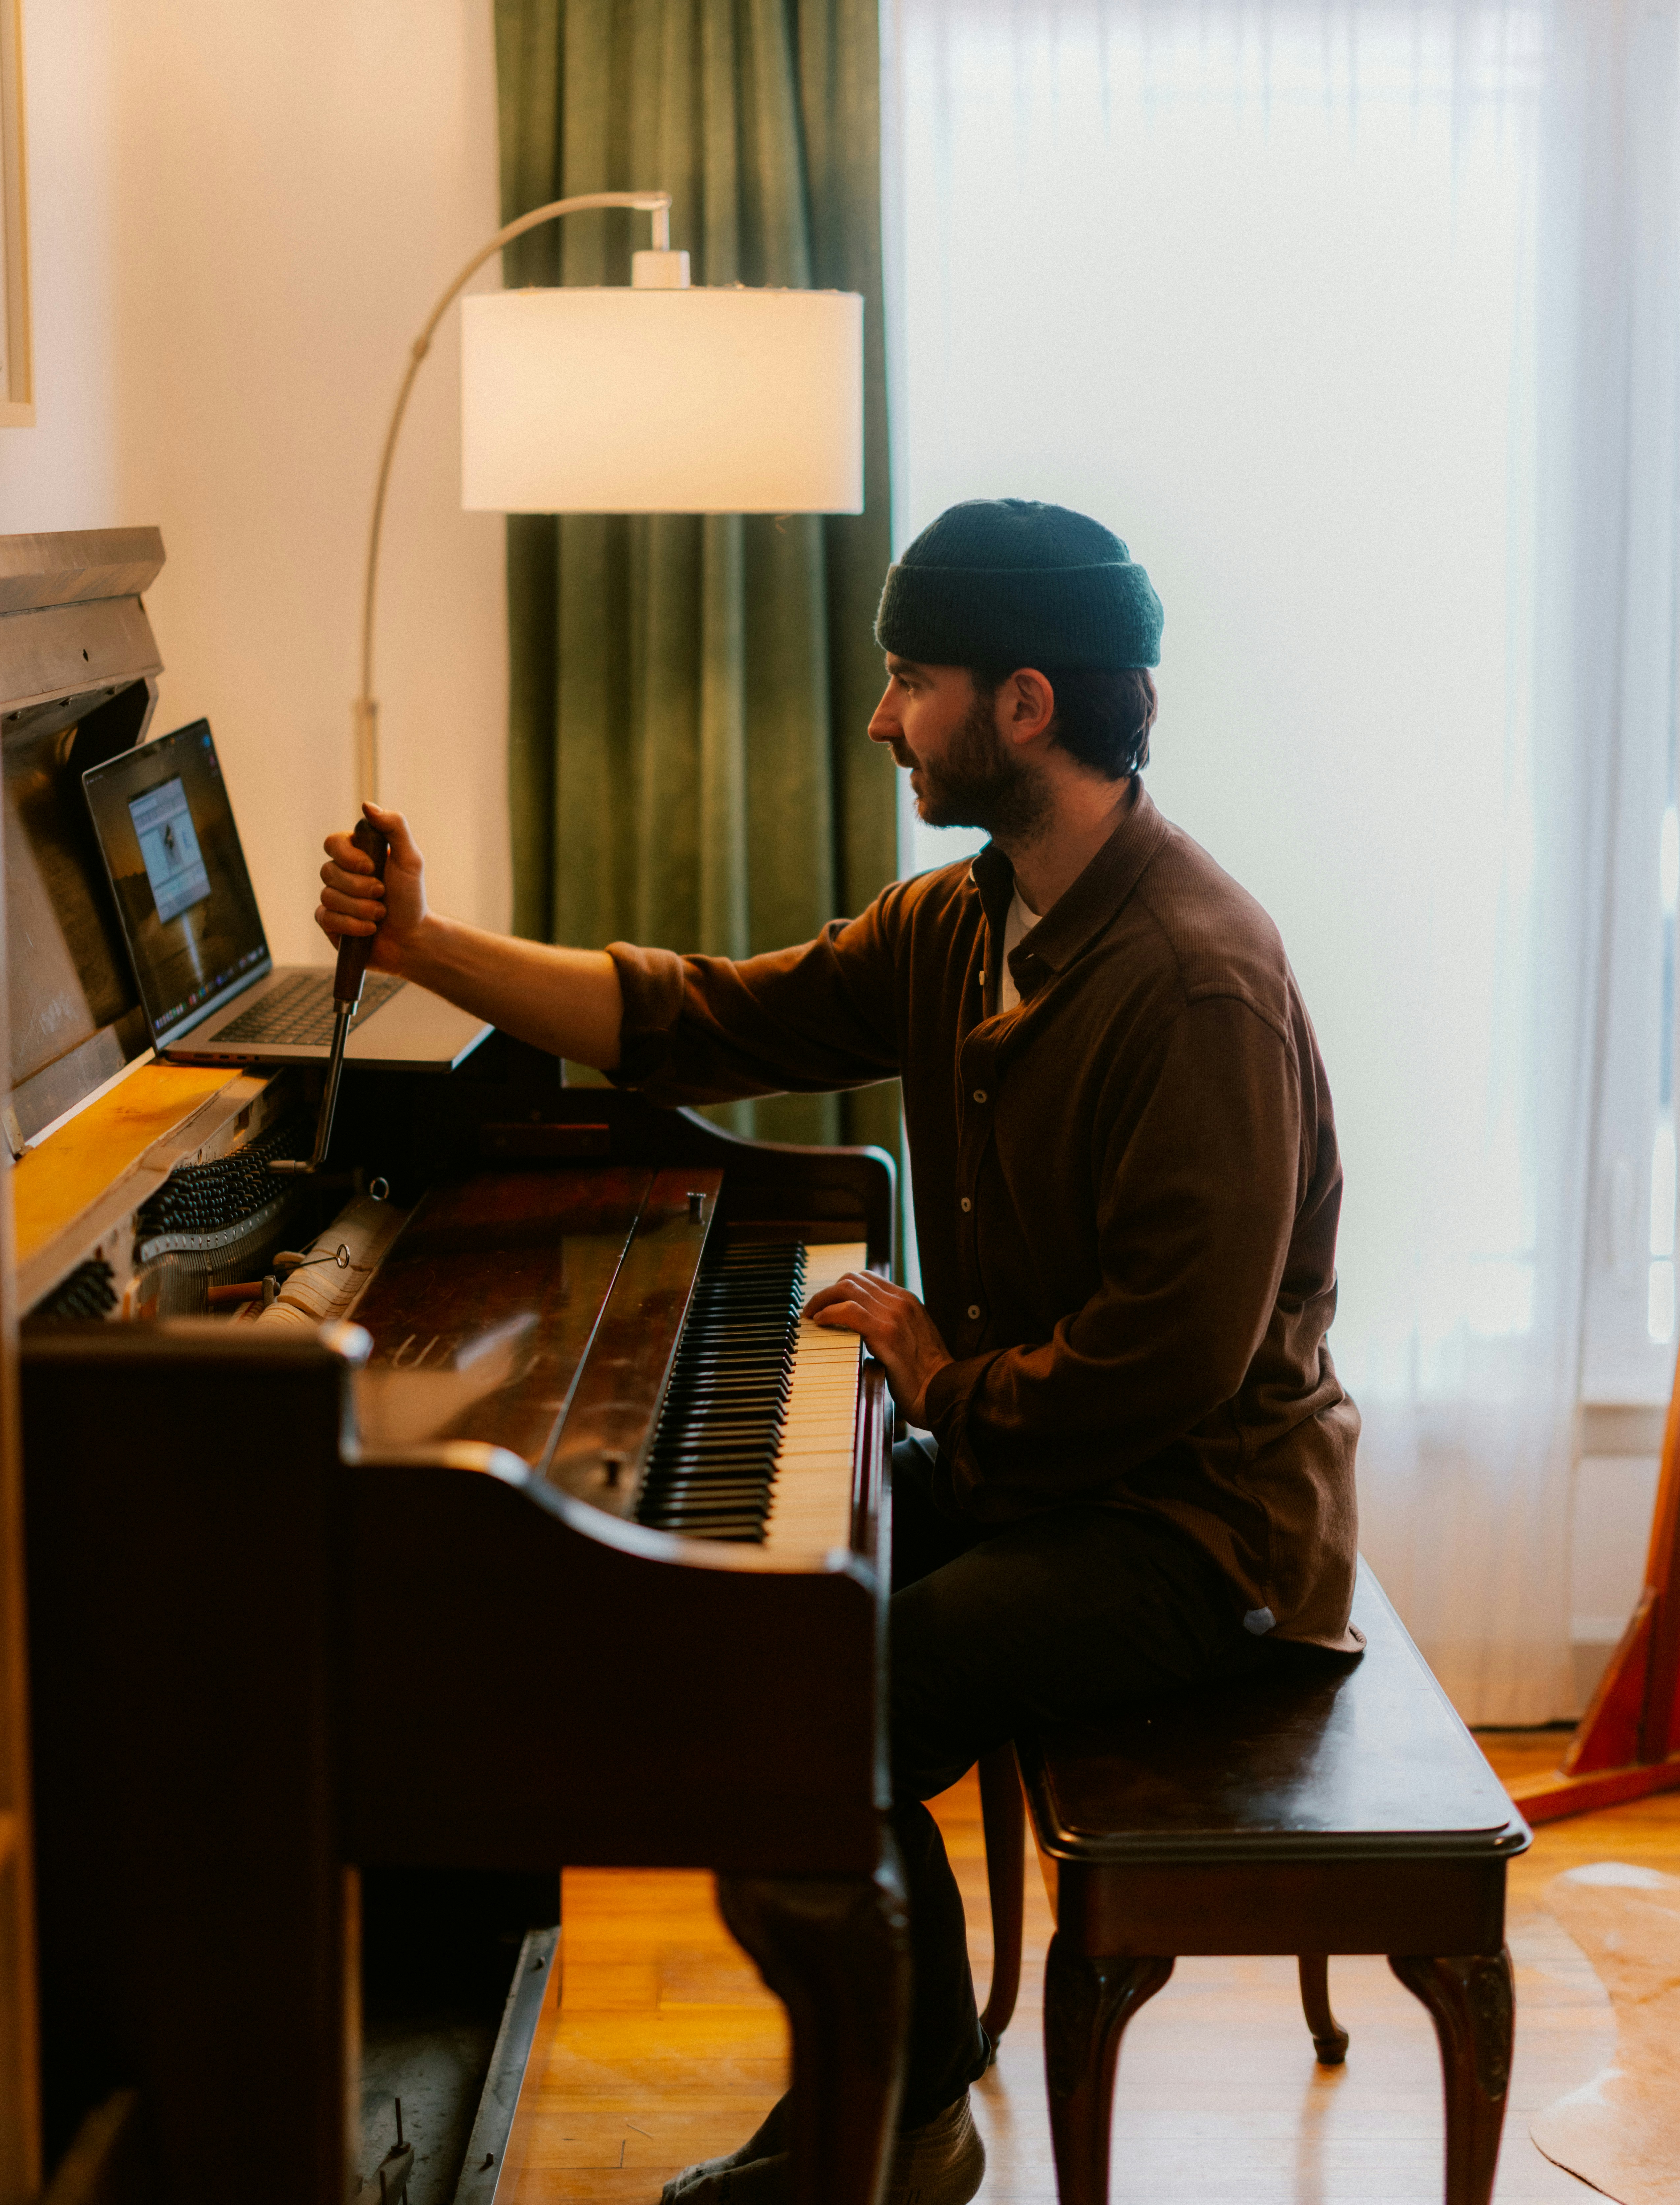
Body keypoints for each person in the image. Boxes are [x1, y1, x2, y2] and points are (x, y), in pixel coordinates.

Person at [318, 498, 1359, 2205]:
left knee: (809, 1696)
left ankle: (899, 2123)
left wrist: (939, 1381)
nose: (880, 721)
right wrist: (423, 945)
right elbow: (700, 1017)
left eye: (906, 683)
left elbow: (1163, 1369)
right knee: (749, 1623)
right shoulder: (966, 921)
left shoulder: (1193, 982)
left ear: (1023, 706)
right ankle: (904, 2086)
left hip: (1199, 1528)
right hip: (1061, 1475)